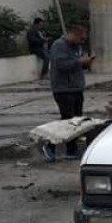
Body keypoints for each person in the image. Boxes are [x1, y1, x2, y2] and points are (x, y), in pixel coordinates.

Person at [41, 24, 94, 161]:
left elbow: (77, 64)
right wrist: (79, 61)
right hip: (63, 89)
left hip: (76, 87)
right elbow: (61, 65)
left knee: (76, 121)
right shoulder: (59, 46)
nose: (82, 42)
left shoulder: (77, 47)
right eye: (80, 39)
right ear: (73, 35)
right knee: (67, 121)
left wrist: (86, 63)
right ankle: (50, 145)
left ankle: (72, 149)